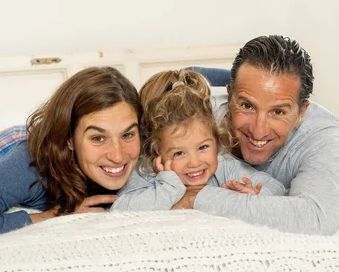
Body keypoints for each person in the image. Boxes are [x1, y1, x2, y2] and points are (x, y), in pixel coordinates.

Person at [0, 66, 142, 242]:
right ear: (69, 138)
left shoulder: (145, 149)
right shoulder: (25, 170)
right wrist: (46, 217)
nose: (118, 156)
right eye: (98, 138)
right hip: (3, 148)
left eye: (127, 135)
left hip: (43, 136)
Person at [176, 35, 339, 235]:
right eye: (247, 106)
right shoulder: (196, 113)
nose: (258, 130)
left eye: (278, 112)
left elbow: (317, 218)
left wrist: (195, 197)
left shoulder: (324, 135)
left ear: (301, 113)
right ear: (229, 95)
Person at [111, 70, 285, 211]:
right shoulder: (147, 171)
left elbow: (276, 188)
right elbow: (120, 209)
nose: (194, 162)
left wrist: (255, 195)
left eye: (203, 147)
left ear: (216, 141)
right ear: (157, 151)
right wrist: (167, 187)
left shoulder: (224, 165)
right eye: (179, 153)